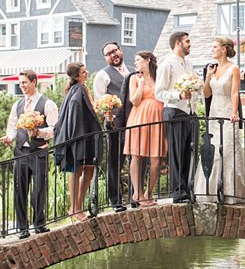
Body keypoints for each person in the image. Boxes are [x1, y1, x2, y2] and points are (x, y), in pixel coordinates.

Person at [194, 37, 245, 203]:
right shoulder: (212, 68)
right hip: (214, 113)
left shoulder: (234, 69)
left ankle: (231, 191)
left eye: (215, 47)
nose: (212, 49)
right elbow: (206, 94)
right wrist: (208, 76)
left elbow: (234, 93)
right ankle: (210, 191)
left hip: (227, 112)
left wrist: (234, 113)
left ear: (224, 49)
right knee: (211, 150)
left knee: (228, 149)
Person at [5, 69, 58, 239]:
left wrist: (39, 133)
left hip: (39, 152)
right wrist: (9, 137)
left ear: (34, 81)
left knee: (38, 190)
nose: (21, 86)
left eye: (24, 82)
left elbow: (54, 130)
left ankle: (39, 223)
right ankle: (22, 228)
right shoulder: (17, 105)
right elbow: (12, 126)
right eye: (20, 83)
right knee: (20, 189)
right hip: (20, 151)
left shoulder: (48, 104)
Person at [54, 62, 102, 220]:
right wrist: (76, 135)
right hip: (79, 135)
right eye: (83, 72)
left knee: (88, 167)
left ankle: (78, 205)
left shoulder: (82, 88)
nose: (86, 73)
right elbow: (75, 110)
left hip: (87, 134)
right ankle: (75, 207)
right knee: (76, 169)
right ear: (76, 76)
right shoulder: (77, 90)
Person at [155, 31, 197, 203]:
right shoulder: (167, 64)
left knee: (188, 153)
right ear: (178, 43)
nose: (190, 44)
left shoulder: (189, 64)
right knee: (177, 153)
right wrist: (178, 96)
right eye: (187, 41)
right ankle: (178, 192)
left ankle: (186, 189)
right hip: (174, 112)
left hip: (189, 113)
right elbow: (159, 93)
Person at [93, 42, 132, 213]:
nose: (113, 55)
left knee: (137, 159)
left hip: (135, 121)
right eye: (108, 54)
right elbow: (100, 101)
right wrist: (107, 115)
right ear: (105, 58)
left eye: (114, 51)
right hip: (115, 124)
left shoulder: (133, 71)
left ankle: (135, 196)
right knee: (115, 161)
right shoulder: (102, 75)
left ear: (120, 51)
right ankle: (115, 201)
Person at [123, 51, 165, 206]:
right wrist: (141, 83)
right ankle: (137, 193)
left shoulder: (158, 76)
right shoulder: (134, 78)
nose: (135, 63)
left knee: (155, 158)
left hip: (157, 119)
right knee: (136, 155)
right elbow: (134, 100)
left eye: (138, 60)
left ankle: (149, 192)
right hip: (139, 118)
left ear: (148, 61)